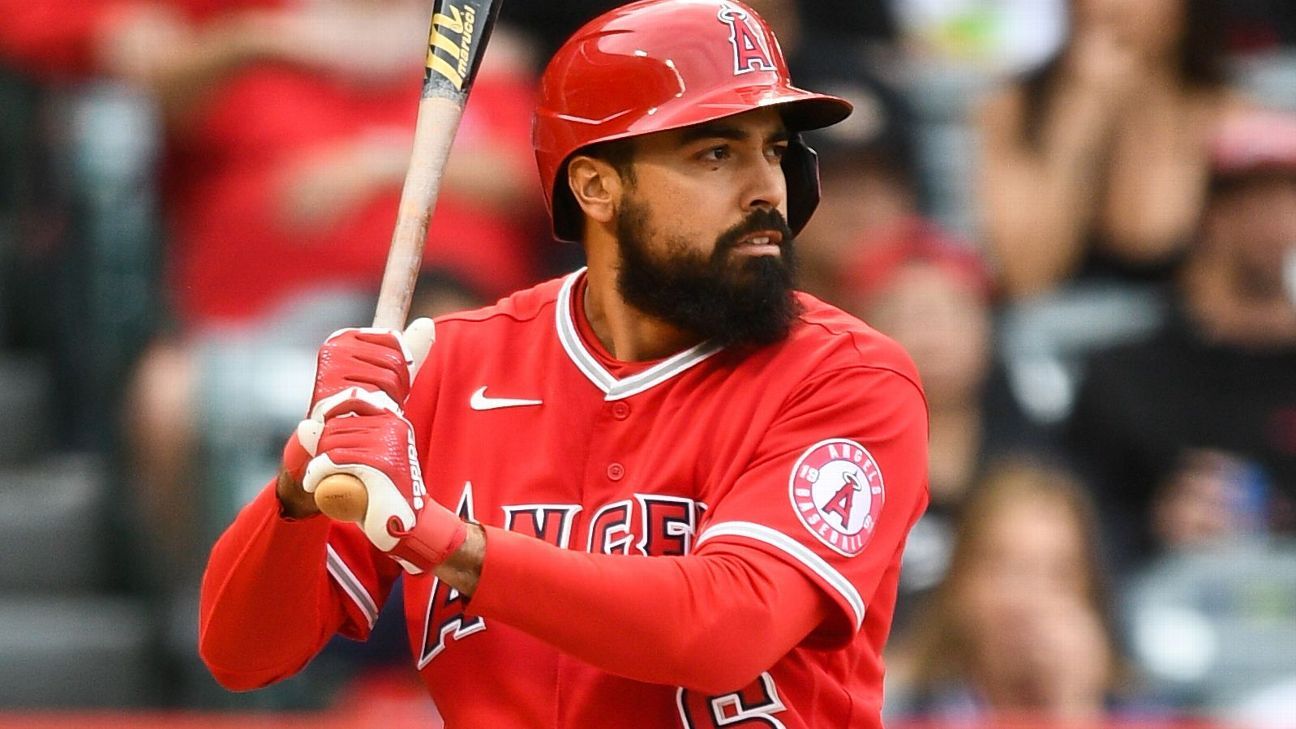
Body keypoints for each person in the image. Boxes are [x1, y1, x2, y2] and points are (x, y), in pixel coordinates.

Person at [197, 1, 930, 727]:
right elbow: (242, 653)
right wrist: (300, 480)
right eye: (716, 153)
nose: (768, 186)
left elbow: (725, 629)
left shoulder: (848, 378)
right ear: (596, 186)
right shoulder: (455, 366)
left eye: (773, 150)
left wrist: (445, 540)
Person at [1067, 108, 1296, 569]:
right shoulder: (1127, 375)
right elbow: (1077, 523)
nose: (1278, 224)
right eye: (1251, 201)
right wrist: (1154, 530)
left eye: (1290, 201)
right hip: (1165, 598)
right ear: (1208, 214)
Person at [977, 0, 1240, 299]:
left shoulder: (1229, 116)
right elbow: (1025, 276)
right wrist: (1081, 115)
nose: (1107, 9)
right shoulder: (1011, 109)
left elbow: (1146, 235)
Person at [887, 459, 1125, 723]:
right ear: (960, 582)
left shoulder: (1141, 711)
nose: (1032, 600)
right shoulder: (898, 708)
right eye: (1007, 570)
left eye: (1059, 574)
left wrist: (1077, 708)